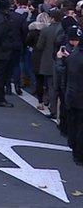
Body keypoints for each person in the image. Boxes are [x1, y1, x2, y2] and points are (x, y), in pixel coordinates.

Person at [58, 27, 83, 164]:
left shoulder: (72, 56)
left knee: (74, 124)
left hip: (71, 94)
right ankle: (79, 154)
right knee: (80, 126)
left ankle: (74, 149)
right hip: (80, 96)